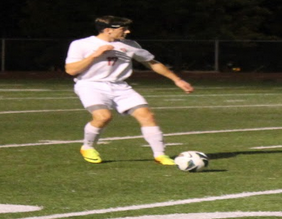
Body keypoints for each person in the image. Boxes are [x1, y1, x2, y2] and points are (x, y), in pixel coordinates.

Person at [65, 15, 194, 165]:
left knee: (147, 115)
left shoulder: (130, 45)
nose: (127, 32)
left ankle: (160, 155)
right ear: (108, 30)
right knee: (103, 117)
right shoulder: (81, 44)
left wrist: (177, 80)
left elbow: (152, 63)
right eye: (123, 29)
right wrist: (95, 55)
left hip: (120, 86)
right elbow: (71, 70)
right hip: (90, 85)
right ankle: (87, 147)